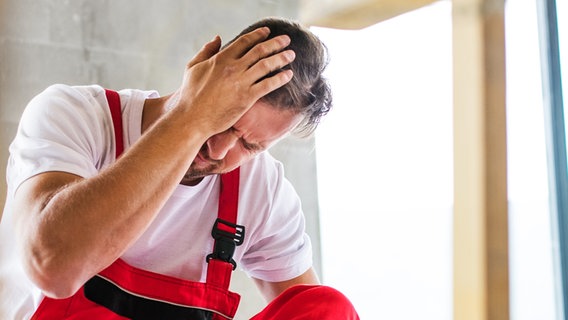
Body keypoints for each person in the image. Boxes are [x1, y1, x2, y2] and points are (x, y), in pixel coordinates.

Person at [0, 17, 359, 319]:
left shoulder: (260, 188)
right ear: (201, 73)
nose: (218, 149)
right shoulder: (76, 115)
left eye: (248, 145)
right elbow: (53, 266)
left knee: (328, 307)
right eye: (224, 119)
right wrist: (191, 119)